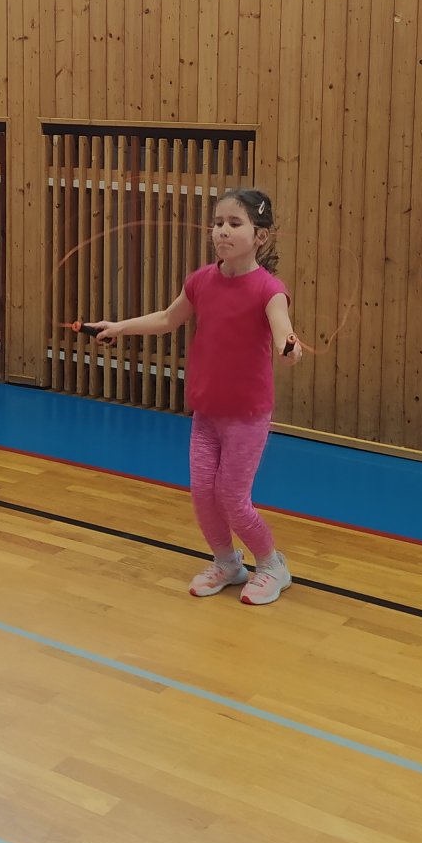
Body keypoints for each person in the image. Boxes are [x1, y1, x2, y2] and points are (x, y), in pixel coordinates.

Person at [89, 188, 300, 605]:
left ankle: (272, 565)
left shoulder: (269, 289)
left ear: (260, 235)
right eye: (218, 223)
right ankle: (227, 563)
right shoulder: (201, 280)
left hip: (246, 417)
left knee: (233, 500)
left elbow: (282, 331)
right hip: (206, 414)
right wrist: (120, 327)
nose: (222, 231)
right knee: (204, 496)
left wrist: (288, 347)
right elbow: (169, 318)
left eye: (234, 224)